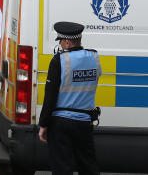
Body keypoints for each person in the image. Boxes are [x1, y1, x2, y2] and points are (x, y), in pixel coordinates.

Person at [37, 21, 102, 175]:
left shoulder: (59, 60)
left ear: (66, 42)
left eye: (60, 41)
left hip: (61, 123)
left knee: (62, 168)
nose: (60, 44)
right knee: (88, 166)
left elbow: (50, 95)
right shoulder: (94, 57)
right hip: (85, 121)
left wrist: (43, 124)